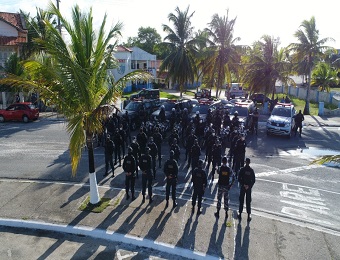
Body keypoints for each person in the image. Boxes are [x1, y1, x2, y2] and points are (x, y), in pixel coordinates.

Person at [214, 157, 234, 221]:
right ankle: (226, 213)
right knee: (226, 199)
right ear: (227, 161)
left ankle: (218, 212)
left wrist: (216, 166)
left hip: (220, 186)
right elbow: (233, 177)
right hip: (226, 186)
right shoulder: (229, 169)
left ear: (222, 161)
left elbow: (217, 171)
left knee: (219, 199)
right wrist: (230, 185)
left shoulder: (220, 168)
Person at [238, 158, 256, 222]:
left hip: (244, 187)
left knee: (242, 200)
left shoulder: (242, 169)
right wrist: (249, 186)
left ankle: (240, 213)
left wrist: (243, 185)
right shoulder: (251, 170)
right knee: (247, 201)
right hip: (247, 187)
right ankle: (248, 214)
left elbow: (239, 178)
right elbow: (253, 180)